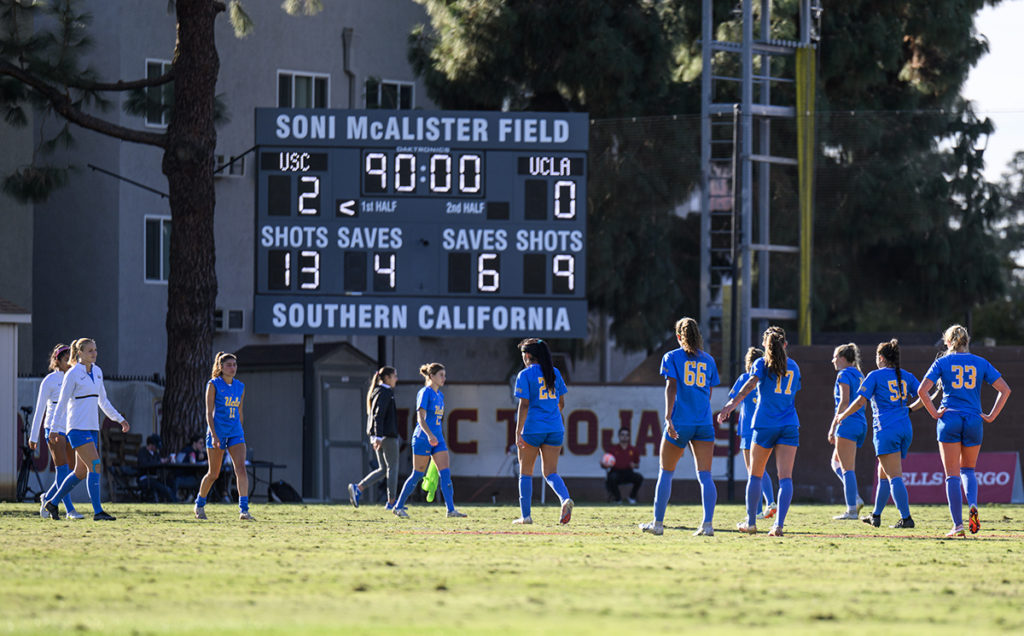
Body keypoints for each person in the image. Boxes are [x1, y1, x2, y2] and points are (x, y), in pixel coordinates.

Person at [917, 325, 1011, 537]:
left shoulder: (942, 362)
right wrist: (992, 415)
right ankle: (974, 505)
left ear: (948, 343)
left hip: (949, 418)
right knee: (968, 470)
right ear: (967, 341)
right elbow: (1005, 390)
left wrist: (933, 412)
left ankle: (958, 526)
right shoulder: (980, 362)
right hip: (973, 419)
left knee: (952, 475)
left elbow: (922, 390)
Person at [717, 326, 801, 537]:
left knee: (755, 475)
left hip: (764, 424)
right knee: (786, 478)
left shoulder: (760, 363)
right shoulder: (795, 367)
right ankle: (778, 526)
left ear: (765, 345)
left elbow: (750, 384)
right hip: (789, 424)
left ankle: (751, 522)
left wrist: (730, 405)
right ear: (785, 344)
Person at [641, 317, 720, 537]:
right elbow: (709, 392)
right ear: (698, 336)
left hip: (680, 422)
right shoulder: (709, 360)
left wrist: (668, 417)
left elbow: (671, 386)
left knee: (665, 472)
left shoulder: (672, 357)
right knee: (705, 475)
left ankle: (657, 523)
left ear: (678, 336)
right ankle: (708, 524)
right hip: (703, 423)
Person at [833, 339, 922, 530]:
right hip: (905, 428)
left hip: (886, 430)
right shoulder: (906, 375)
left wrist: (842, 415)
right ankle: (876, 515)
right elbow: (925, 396)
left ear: (881, 358)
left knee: (894, 476)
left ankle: (906, 519)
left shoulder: (875, 375)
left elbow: (859, 402)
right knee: (883, 474)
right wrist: (910, 410)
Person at [43, 338, 130, 521]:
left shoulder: (98, 372)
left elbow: (103, 402)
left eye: (95, 350)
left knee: (80, 472)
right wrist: (53, 428)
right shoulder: (72, 374)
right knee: (96, 465)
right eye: (90, 350)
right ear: (80, 353)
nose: (94, 353)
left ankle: (52, 502)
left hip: (92, 429)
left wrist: (120, 419)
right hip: (76, 429)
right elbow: (62, 403)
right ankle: (98, 512)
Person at [392, 363, 467, 518]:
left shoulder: (440, 395)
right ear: (431, 376)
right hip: (423, 438)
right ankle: (398, 506)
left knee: (445, 473)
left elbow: (437, 420)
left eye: (444, 375)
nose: (444, 378)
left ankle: (451, 510)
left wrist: (437, 436)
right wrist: (429, 435)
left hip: (438, 439)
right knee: (417, 474)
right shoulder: (425, 392)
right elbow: (420, 418)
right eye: (441, 375)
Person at [511, 339, 573, 525]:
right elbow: (561, 403)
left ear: (528, 356)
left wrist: (518, 432)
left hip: (532, 429)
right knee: (550, 473)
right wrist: (550, 416)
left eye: (523, 354)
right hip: (555, 428)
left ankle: (526, 516)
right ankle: (564, 499)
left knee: (526, 473)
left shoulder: (524, 375)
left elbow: (524, 406)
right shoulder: (554, 373)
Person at [194, 352, 252, 521]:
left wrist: (240, 431)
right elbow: (209, 413)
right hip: (217, 432)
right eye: (229, 365)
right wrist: (213, 434)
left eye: (234, 364)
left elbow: (240, 412)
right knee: (214, 473)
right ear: (220, 367)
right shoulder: (213, 384)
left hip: (235, 432)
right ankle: (199, 504)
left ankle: (244, 510)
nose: (232, 368)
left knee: (241, 468)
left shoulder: (240, 386)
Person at [29, 344, 83, 519]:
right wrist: (33, 436)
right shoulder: (50, 381)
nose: (69, 362)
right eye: (66, 358)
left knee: (68, 472)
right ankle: (69, 510)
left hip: (70, 429)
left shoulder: (74, 377)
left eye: (71, 358)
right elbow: (39, 410)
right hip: (53, 429)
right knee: (62, 470)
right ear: (57, 360)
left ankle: (48, 497)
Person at [728, 347, 777, 520]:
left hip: (748, 429)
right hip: (764, 426)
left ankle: (756, 511)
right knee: (761, 468)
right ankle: (770, 501)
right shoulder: (768, 378)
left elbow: (733, 396)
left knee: (753, 472)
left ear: (748, 362)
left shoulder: (744, 378)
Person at [349, 366, 400, 510]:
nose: (396, 379)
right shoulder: (385, 392)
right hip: (386, 436)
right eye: (394, 376)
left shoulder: (378, 391)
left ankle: (358, 488)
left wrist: (375, 436)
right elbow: (379, 415)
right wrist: (378, 436)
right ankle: (391, 502)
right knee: (393, 468)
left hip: (379, 436)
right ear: (387, 378)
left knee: (383, 469)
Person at [827, 343, 867, 520]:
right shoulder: (860, 375)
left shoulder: (843, 374)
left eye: (835, 357)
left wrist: (834, 424)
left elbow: (844, 401)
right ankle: (855, 497)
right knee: (836, 463)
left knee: (847, 469)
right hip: (860, 423)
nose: (833, 360)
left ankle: (852, 509)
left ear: (843, 358)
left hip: (847, 423)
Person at [604, 428, 643, 504]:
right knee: (611, 478)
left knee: (639, 478)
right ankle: (618, 499)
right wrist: (604, 463)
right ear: (619, 436)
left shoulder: (633, 450)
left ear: (629, 437)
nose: (624, 437)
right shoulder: (613, 449)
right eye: (622, 435)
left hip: (628, 472)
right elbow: (605, 464)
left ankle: (632, 497)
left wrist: (634, 465)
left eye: (626, 435)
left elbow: (637, 465)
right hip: (615, 472)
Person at [137, 434, 177, 503]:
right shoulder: (142, 452)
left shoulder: (156, 454)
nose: (157, 449)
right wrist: (159, 462)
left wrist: (166, 461)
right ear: (151, 445)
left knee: (171, 482)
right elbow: (144, 464)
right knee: (165, 489)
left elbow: (159, 461)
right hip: (146, 478)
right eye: (156, 447)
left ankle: (175, 499)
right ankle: (174, 502)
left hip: (155, 478)